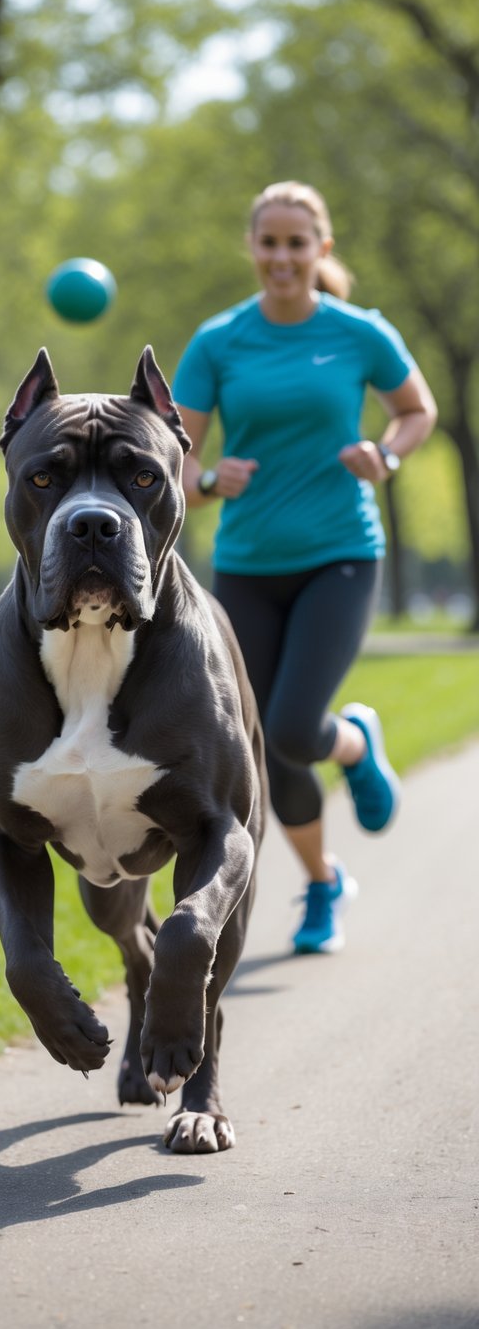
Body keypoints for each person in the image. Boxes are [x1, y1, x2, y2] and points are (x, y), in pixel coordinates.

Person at [172, 180, 438, 954]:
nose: (282, 257)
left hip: (341, 555)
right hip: (249, 563)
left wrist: (387, 453)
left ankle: (352, 739)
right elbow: (176, 458)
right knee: (266, 743)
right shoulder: (217, 341)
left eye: (297, 243)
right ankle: (323, 882)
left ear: (321, 249)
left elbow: (417, 408)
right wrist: (213, 479)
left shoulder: (360, 333)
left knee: (292, 724)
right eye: (269, 242)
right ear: (252, 248)